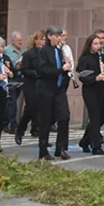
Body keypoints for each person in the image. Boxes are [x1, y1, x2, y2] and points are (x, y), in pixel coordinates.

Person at [35, 25, 73, 161]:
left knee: (64, 117)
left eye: (60, 36)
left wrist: (67, 68)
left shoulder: (59, 50)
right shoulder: (43, 52)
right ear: (49, 36)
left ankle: (61, 148)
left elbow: (62, 68)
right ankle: (43, 151)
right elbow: (43, 70)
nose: (58, 38)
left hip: (59, 89)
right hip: (46, 89)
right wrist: (61, 69)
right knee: (46, 120)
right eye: (56, 36)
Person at [77, 33, 104, 155]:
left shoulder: (101, 57)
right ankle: (96, 146)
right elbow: (82, 76)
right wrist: (95, 78)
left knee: (98, 117)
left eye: (99, 44)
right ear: (90, 45)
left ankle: (85, 141)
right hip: (90, 90)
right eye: (95, 44)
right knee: (94, 116)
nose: (98, 46)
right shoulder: (85, 59)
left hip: (101, 89)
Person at [15, 30, 46, 144]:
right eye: (41, 39)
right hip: (31, 84)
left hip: (42, 84)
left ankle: (41, 135)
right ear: (35, 40)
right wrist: (35, 73)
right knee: (31, 107)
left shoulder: (46, 53)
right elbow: (24, 70)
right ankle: (20, 129)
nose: (43, 42)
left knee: (42, 110)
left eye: (44, 40)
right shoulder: (29, 54)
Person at [4, 31, 24, 133]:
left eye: (21, 40)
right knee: (11, 103)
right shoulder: (6, 50)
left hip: (20, 78)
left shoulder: (22, 51)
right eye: (18, 40)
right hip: (10, 78)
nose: (20, 42)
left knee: (16, 102)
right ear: (13, 41)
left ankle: (13, 122)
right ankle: (11, 124)